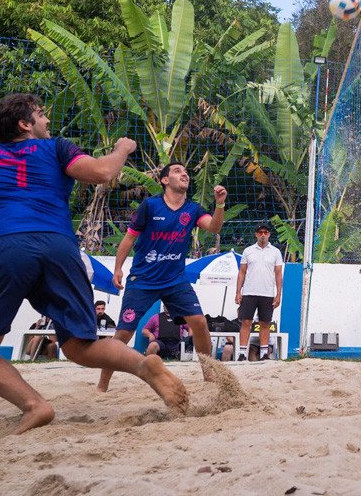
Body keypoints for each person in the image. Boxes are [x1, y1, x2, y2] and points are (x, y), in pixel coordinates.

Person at [0, 93, 187, 434]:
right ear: (25, 124)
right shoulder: (55, 149)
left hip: (5, 247)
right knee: (81, 346)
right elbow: (101, 172)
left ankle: (35, 405)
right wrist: (122, 149)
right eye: (40, 114)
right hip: (59, 246)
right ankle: (143, 366)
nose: (47, 120)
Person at [97, 162, 227, 391]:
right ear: (165, 180)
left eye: (186, 171)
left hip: (175, 280)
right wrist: (118, 268)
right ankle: (103, 384)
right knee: (124, 332)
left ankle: (210, 377)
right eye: (177, 171)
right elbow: (129, 239)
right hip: (143, 279)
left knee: (199, 322)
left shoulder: (193, 209)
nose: (184, 173)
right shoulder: (150, 206)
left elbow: (214, 228)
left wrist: (220, 205)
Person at [235, 223, 283, 361]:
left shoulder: (275, 252)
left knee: (265, 323)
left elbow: (278, 274)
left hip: (267, 293)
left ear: (269, 234)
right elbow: (242, 272)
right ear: (256, 234)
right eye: (260, 232)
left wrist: (278, 294)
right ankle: (242, 352)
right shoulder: (248, 251)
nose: (263, 234)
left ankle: (264, 353)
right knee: (246, 322)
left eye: (265, 232)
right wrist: (238, 292)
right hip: (249, 292)